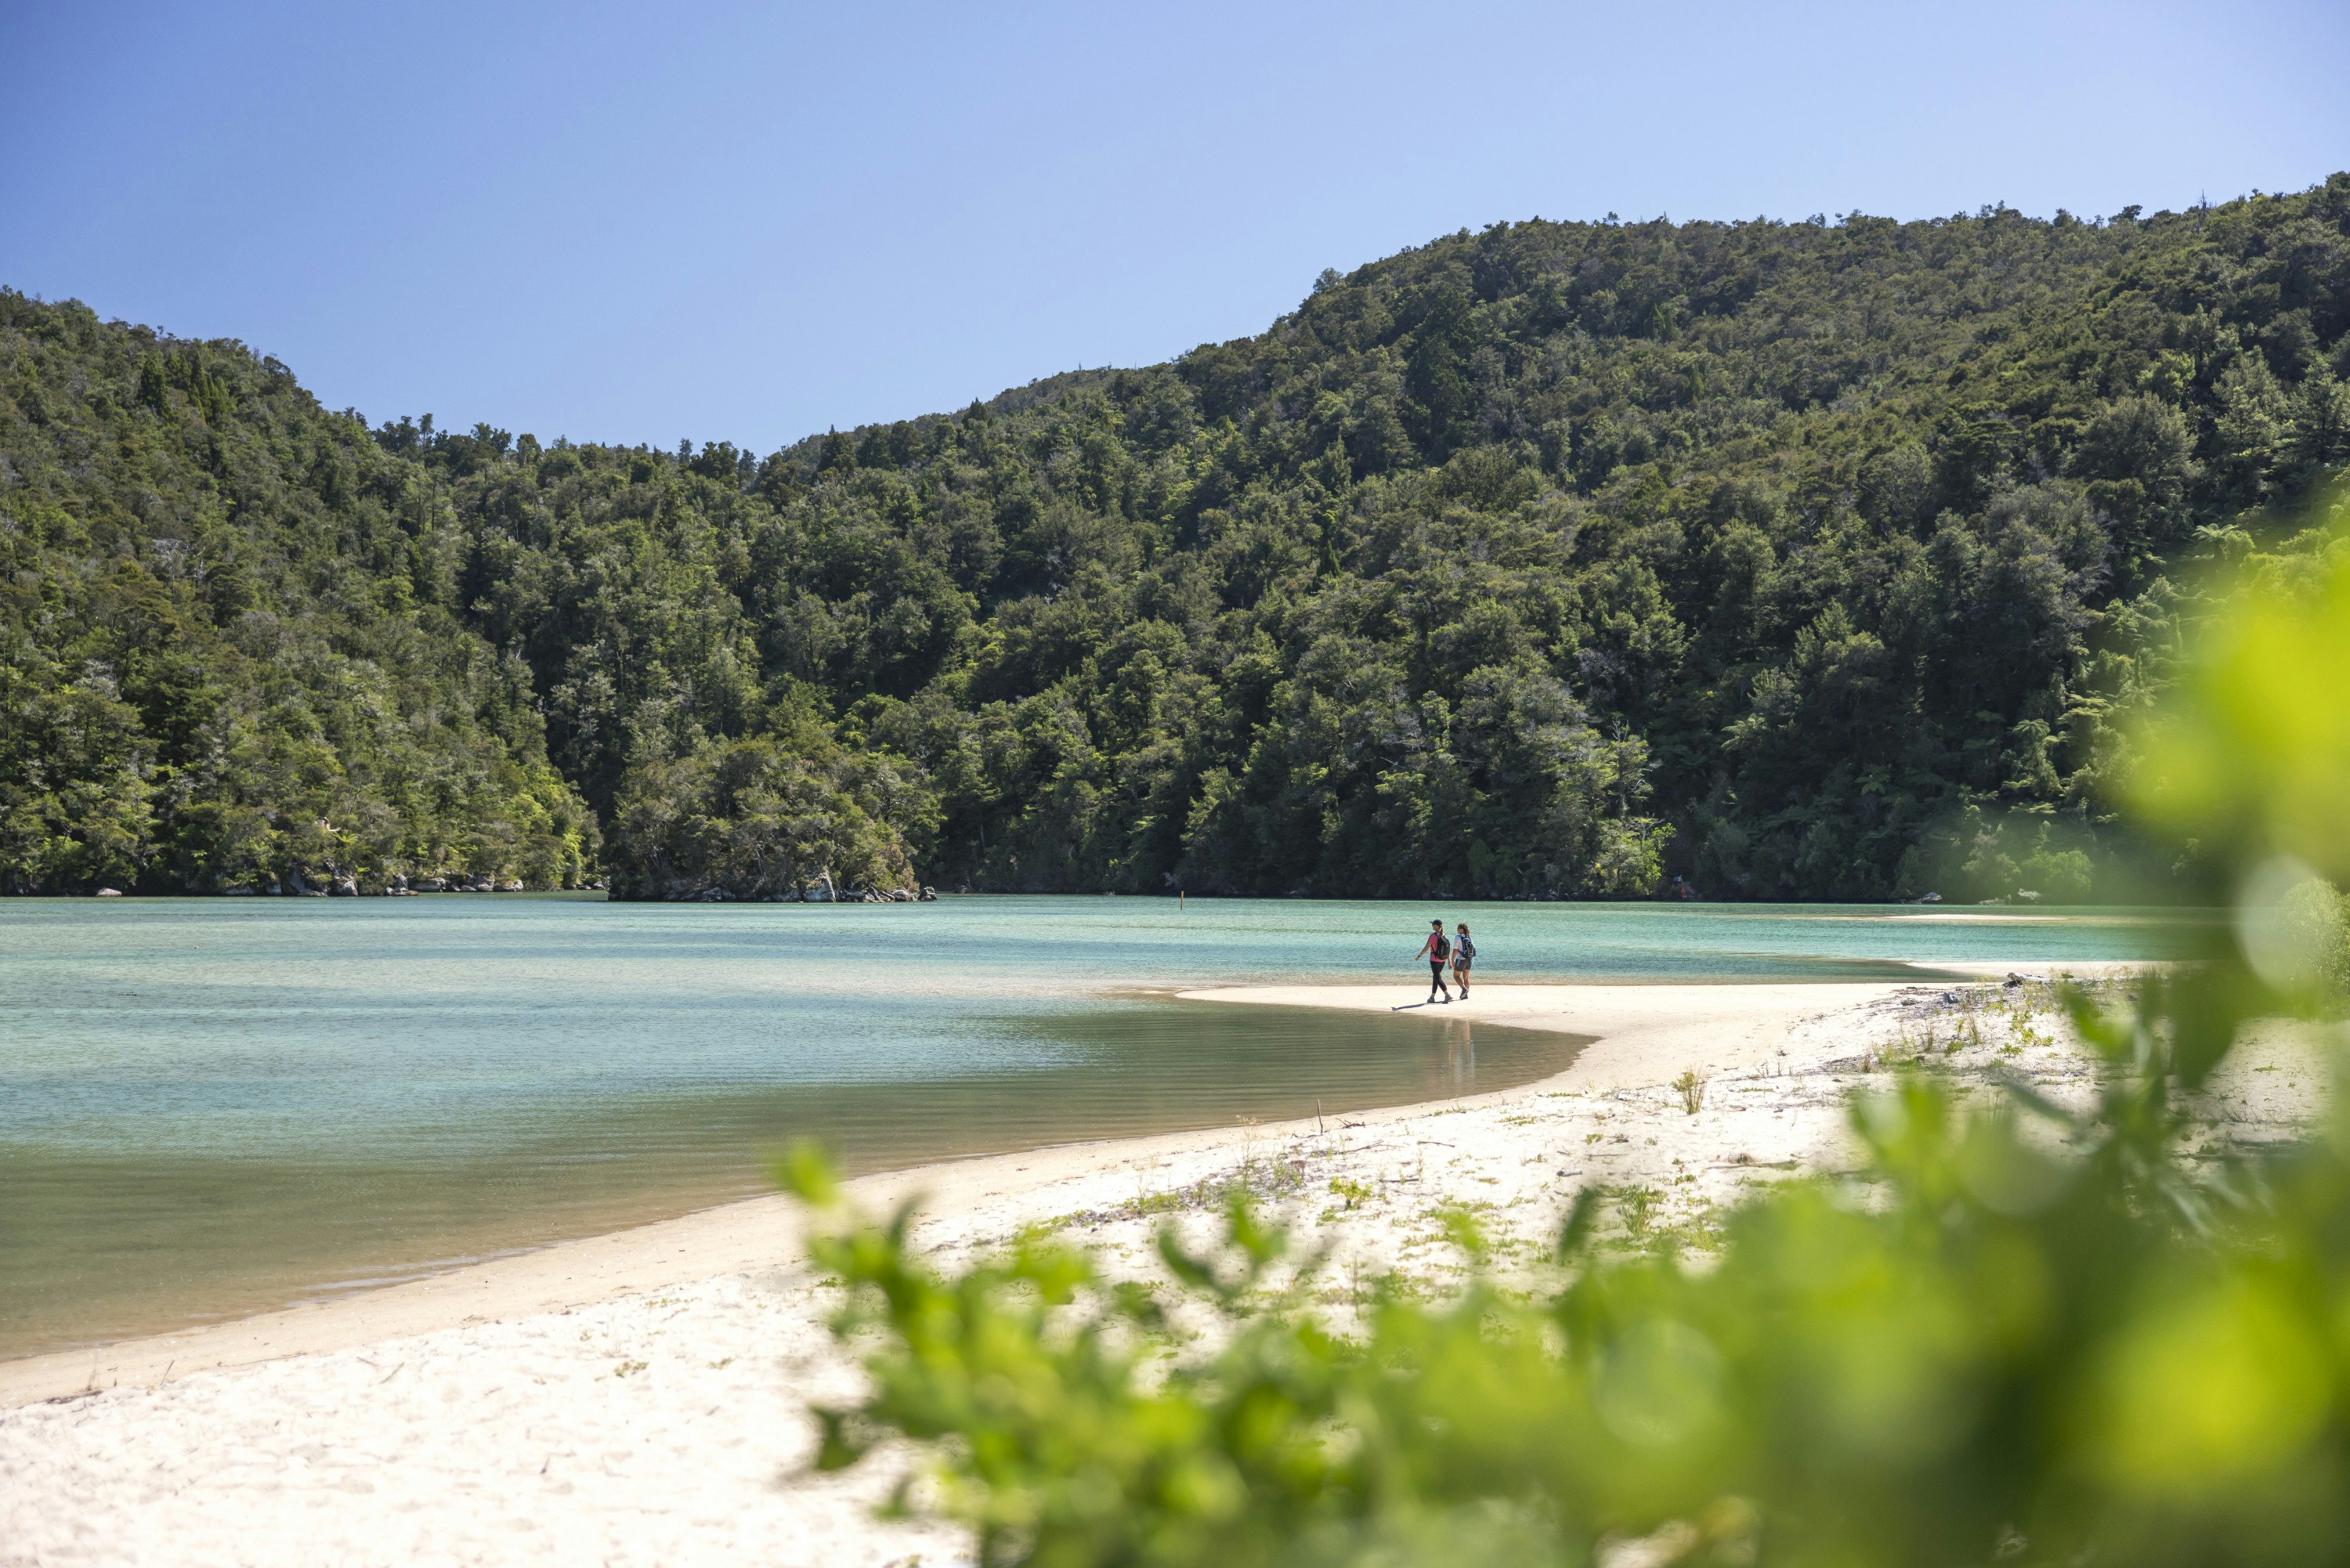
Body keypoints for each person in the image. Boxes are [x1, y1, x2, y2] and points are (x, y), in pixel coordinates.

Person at [1415, 919, 1453, 1003]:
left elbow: (1426, 948)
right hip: (1442, 960)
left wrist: (1419, 956)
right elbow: (1447, 951)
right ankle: (1432, 997)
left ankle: (1447, 995)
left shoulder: (1433, 936)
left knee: (1438, 978)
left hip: (1434, 960)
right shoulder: (1444, 936)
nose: (1432, 926)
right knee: (1435, 977)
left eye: (1433, 925)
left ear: (1436, 926)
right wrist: (1450, 962)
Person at [1451, 922, 1475, 996]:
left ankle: (1464, 989)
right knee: (1466, 978)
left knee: (1456, 976)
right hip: (1470, 959)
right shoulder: (1469, 937)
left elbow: (1455, 950)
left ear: (1461, 929)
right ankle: (1465, 995)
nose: (1457, 929)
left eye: (1458, 928)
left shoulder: (1458, 937)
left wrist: (1452, 960)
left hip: (1461, 959)